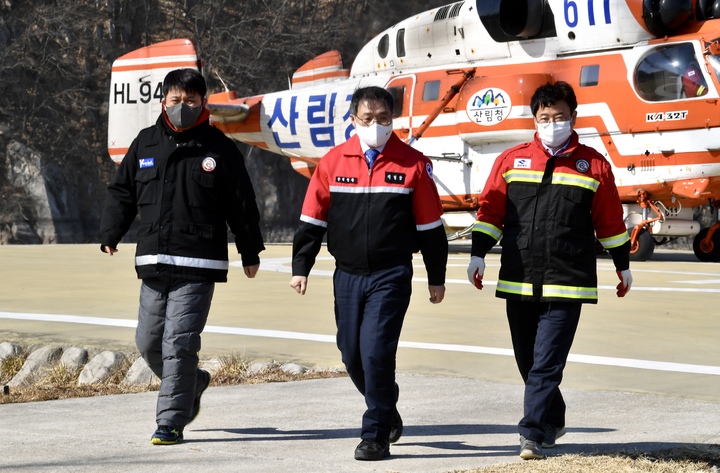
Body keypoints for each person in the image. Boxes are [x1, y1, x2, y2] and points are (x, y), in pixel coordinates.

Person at [466, 81, 632, 460]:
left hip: (567, 282)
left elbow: (609, 222)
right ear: (535, 120)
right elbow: (490, 214)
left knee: (545, 363)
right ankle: (553, 416)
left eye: (559, 116)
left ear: (573, 117)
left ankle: (531, 434)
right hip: (518, 277)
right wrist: (478, 255)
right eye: (545, 117)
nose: (552, 123)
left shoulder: (594, 165)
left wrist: (623, 266)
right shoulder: (510, 160)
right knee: (528, 361)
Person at [99, 68, 265, 445]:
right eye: (175, 100)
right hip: (154, 261)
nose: (182, 107)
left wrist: (249, 249)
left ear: (203, 103)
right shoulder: (145, 143)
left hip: (198, 263)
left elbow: (242, 204)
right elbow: (121, 192)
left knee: (179, 343)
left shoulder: (219, 148)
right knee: (148, 343)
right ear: (163, 102)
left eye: (190, 100)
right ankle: (194, 382)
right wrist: (111, 231)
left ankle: (170, 423)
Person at [290, 86, 448, 461]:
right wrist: (301, 267)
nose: (375, 125)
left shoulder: (412, 164)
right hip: (346, 275)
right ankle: (386, 405)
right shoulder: (332, 162)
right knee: (351, 354)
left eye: (383, 119)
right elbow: (312, 220)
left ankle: (375, 435)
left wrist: (436, 277)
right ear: (353, 120)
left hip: (391, 274)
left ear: (393, 120)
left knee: (376, 352)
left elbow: (429, 227)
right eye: (367, 119)